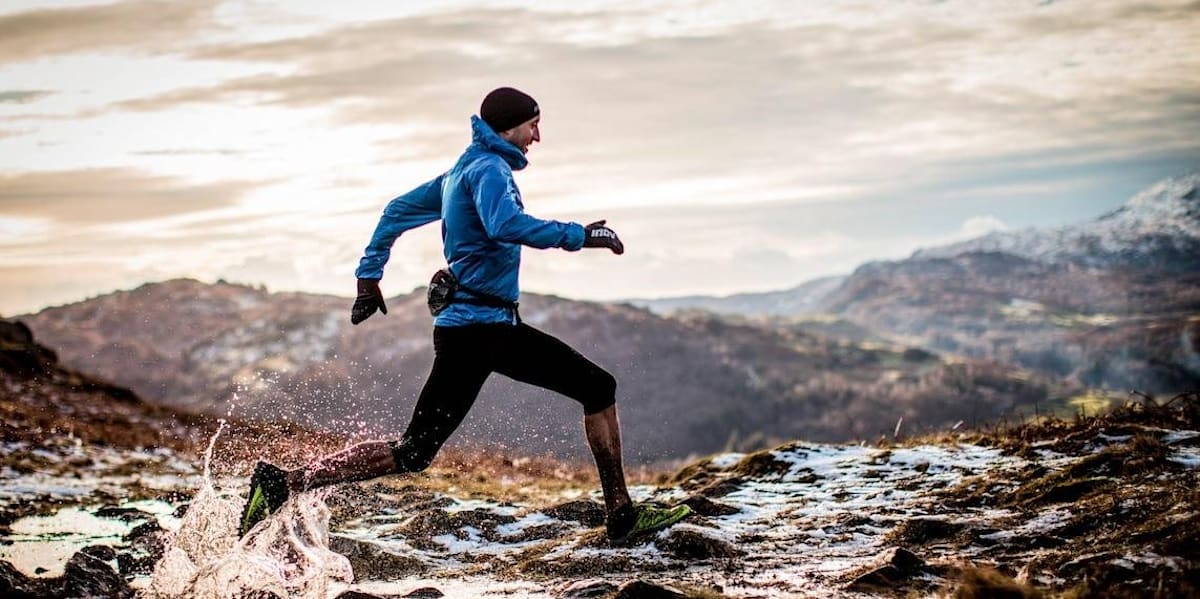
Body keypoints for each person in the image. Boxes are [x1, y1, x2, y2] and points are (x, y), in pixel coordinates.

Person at [239, 87, 691, 542]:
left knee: (414, 452)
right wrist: (581, 235)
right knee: (597, 386)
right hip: (484, 331)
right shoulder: (490, 170)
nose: (538, 136)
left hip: (471, 330)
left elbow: (396, 211)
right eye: (534, 124)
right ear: (511, 126)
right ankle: (621, 515)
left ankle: (283, 482)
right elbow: (505, 225)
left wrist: (368, 276)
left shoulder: (462, 170)